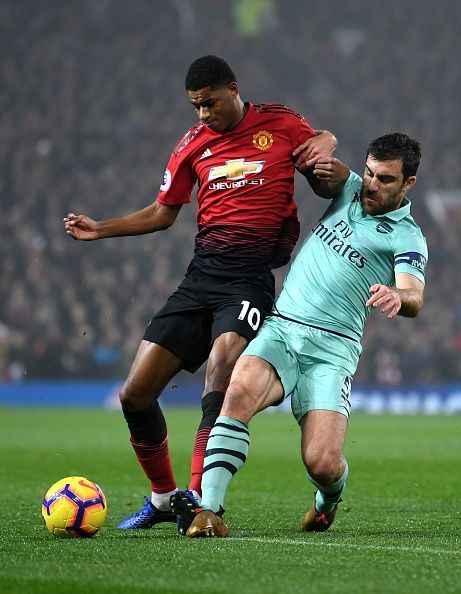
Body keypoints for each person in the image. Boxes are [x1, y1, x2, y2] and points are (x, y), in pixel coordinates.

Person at [63, 55, 336, 534]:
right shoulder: (192, 144)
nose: (203, 114)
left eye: (209, 103)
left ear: (233, 89)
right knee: (135, 393)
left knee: (222, 367)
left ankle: (202, 499)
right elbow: (164, 212)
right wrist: (100, 228)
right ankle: (165, 499)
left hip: (250, 280)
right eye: (195, 106)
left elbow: (319, 141)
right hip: (200, 279)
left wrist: (325, 142)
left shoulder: (280, 122)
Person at [183, 132, 428, 537]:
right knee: (239, 389)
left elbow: (415, 296)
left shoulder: (407, 236)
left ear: (408, 184)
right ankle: (209, 510)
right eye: (369, 173)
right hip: (283, 327)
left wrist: (397, 294)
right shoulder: (350, 188)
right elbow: (325, 165)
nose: (371, 185)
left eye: (385, 180)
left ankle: (327, 501)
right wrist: (325, 145)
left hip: (333, 350)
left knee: (323, 464)